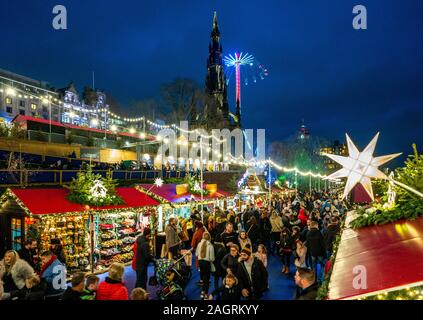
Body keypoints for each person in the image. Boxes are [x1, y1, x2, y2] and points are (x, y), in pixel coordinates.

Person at [196, 232, 215, 300]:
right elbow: (212, 258)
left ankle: (202, 293)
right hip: (207, 263)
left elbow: (196, 254)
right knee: (206, 279)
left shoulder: (199, 244)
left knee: (203, 277)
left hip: (200, 262)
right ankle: (206, 293)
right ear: (209, 237)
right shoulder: (210, 246)